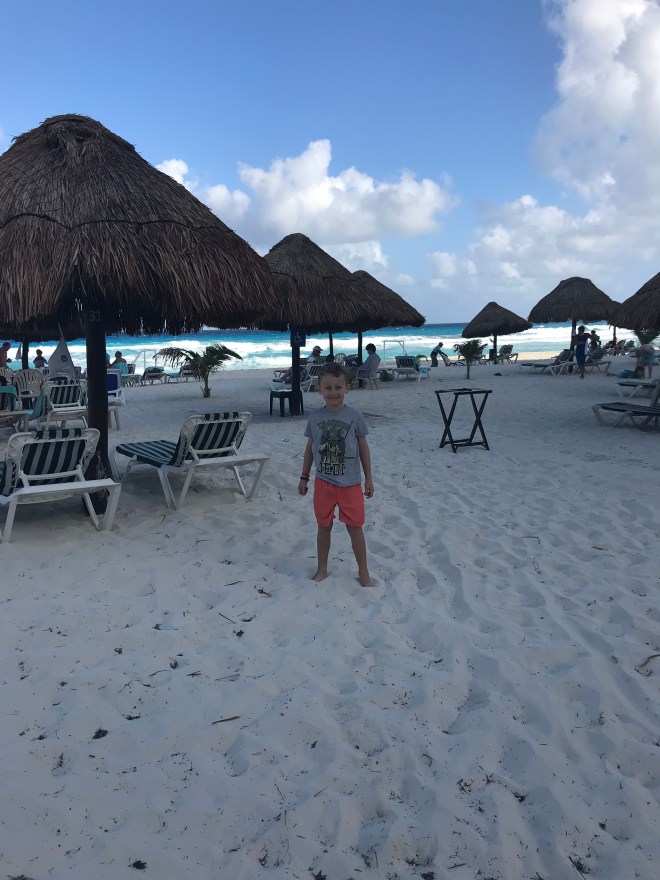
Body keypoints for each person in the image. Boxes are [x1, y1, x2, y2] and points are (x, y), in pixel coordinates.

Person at [298, 362, 374, 587]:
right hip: (324, 483)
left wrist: (369, 479)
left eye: (338, 387)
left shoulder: (355, 416)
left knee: (355, 528)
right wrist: (304, 477)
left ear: (347, 388)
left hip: (350, 484)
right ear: (319, 389)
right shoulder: (315, 417)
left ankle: (364, 572)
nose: (333, 392)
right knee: (324, 527)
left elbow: (363, 448)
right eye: (328, 387)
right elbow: (310, 448)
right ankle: (322, 568)